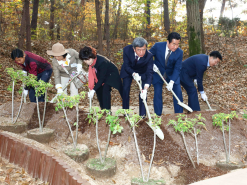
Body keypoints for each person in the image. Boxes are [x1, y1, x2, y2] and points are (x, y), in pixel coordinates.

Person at [79, 46, 122, 111]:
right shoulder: (91, 62)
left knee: (105, 90)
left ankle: (107, 112)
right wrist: (93, 88)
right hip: (100, 74)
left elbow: (102, 78)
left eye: (88, 60)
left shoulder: (102, 62)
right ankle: (103, 110)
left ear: (93, 56)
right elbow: (94, 75)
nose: (87, 62)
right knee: (98, 90)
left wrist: (93, 90)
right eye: (85, 60)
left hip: (111, 74)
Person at [150, 32, 183, 116]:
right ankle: (158, 115)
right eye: (173, 44)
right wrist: (152, 64)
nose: (175, 47)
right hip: (158, 73)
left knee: (178, 92)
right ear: (168, 42)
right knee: (157, 92)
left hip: (172, 75)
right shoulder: (158, 46)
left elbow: (177, 68)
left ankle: (179, 115)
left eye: (177, 44)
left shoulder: (179, 52)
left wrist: (172, 82)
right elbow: (148, 56)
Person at [120, 37, 153, 116]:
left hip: (142, 72)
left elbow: (149, 72)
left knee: (143, 93)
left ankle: (142, 115)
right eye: (139, 50)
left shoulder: (149, 56)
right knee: (125, 89)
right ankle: (126, 113)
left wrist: (146, 88)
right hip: (128, 71)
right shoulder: (127, 50)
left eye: (144, 49)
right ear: (134, 49)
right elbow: (127, 66)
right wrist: (133, 74)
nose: (141, 52)